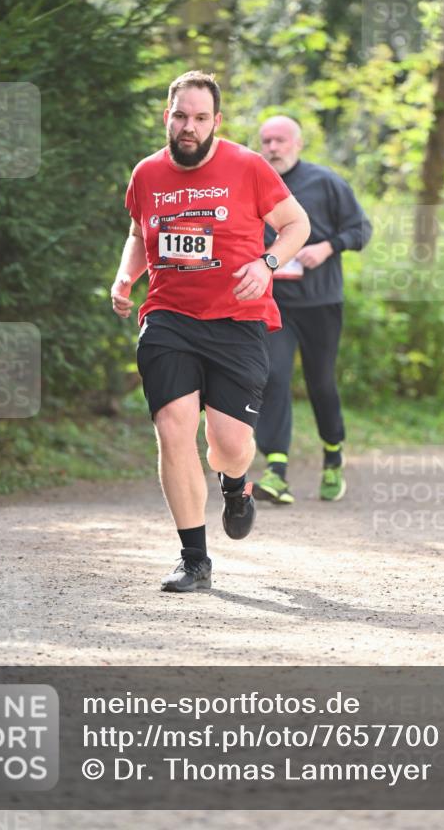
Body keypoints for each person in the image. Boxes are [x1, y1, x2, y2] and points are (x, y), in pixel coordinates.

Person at [110, 74, 310, 593]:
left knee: (229, 445)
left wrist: (267, 264)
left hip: (237, 322)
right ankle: (194, 559)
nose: (189, 126)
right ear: (166, 116)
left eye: (200, 118)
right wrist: (125, 275)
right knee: (174, 427)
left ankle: (236, 484)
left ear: (216, 121)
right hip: (169, 318)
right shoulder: (147, 173)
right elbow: (137, 233)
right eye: (181, 116)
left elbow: (297, 226)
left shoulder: (247, 166)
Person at [252, 115, 372, 506]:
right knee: (273, 376)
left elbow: (361, 229)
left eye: (280, 140)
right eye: (266, 140)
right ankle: (276, 470)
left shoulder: (326, 182)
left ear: (298, 144)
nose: (273, 147)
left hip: (321, 303)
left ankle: (333, 456)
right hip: (275, 303)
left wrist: (327, 247)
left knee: (321, 383)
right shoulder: (250, 182)